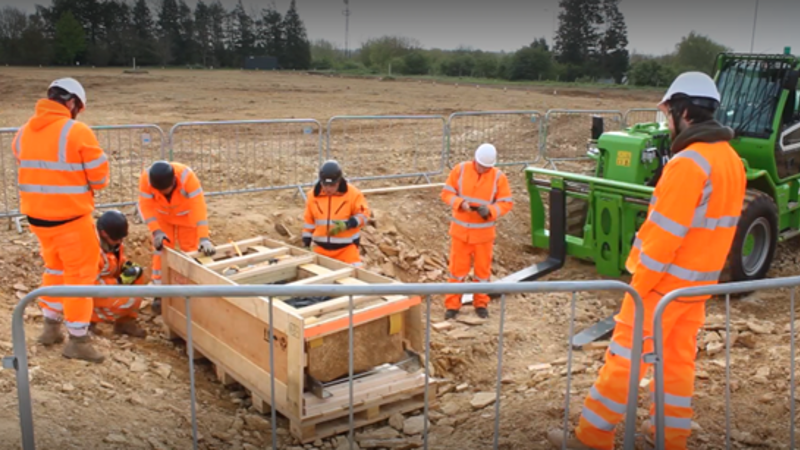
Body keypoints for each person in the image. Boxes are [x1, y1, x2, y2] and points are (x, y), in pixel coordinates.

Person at [546, 72, 747, 450]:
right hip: (697, 287)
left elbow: (662, 237)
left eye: (668, 112)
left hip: (660, 286)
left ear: (683, 111)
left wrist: (635, 289)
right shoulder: (730, 161)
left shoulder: (690, 162)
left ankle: (591, 438)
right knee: (675, 364)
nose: (666, 121)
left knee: (625, 358)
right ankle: (670, 440)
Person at [12, 77, 110, 363]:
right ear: (72, 103)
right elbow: (100, 179)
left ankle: (50, 327)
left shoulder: (22, 133)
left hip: (38, 221)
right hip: (71, 220)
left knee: (54, 270)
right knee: (79, 278)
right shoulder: (77, 132)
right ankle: (78, 340)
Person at [440, 143, 513, 320]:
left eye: (487, 167)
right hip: (460, 233)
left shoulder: (498, 177)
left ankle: (481, 303)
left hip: (483, 236)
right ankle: (452, 306)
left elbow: (506, 203)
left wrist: (490, 210)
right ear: (475, 160)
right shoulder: (461, 170)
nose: (483, 170)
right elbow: (446, 193)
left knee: (482, 272)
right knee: (456, 272)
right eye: (481, 166)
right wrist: (460, 203)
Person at [138, 161, 216, 315]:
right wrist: (156, 231)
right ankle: (160, 294)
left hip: (186, 217)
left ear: (174, 181)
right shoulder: (146, 179)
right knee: (161, 252)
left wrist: (204, 238)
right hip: (162, 218)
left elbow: (199, 206)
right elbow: (145, 206)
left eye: (166, 191)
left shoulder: (187, 177)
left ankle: (194, 292)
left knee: (191, 251)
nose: (164, 194)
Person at [88, 210, 147, 339]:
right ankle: (89, 321)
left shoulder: (113, 242)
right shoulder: (91, 250)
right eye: (117, 238)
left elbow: (117, 260)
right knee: (131, 300)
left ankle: (124, 323)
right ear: (103, 233)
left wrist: (126, 266)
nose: (120, 242)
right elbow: (90, 284)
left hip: (108, 286)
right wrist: (119, 282)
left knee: (138, 275)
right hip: (91, 294)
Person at [302, 160, 370, 267]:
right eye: (325, 185)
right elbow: (309, 221)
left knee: (355, 281)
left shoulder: (353, 194)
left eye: (332, 185)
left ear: (339, 181)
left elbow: (364, 215)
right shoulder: (312, 196)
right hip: (320, 250)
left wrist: (349, 224)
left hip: (346, 250)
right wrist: (306, 242)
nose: (328, 189)